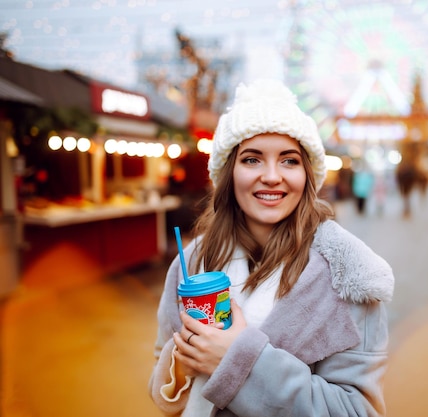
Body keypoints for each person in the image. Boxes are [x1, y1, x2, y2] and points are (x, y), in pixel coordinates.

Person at [148, 79, 395, 417]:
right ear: (229, 173)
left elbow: (358, 410)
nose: (272, 176)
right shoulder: (191, 263)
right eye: (252, 160)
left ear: (307, 175)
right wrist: (183, 365)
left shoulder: (350, 275)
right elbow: (163, 375)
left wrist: (236, 360)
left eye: (289, 160)